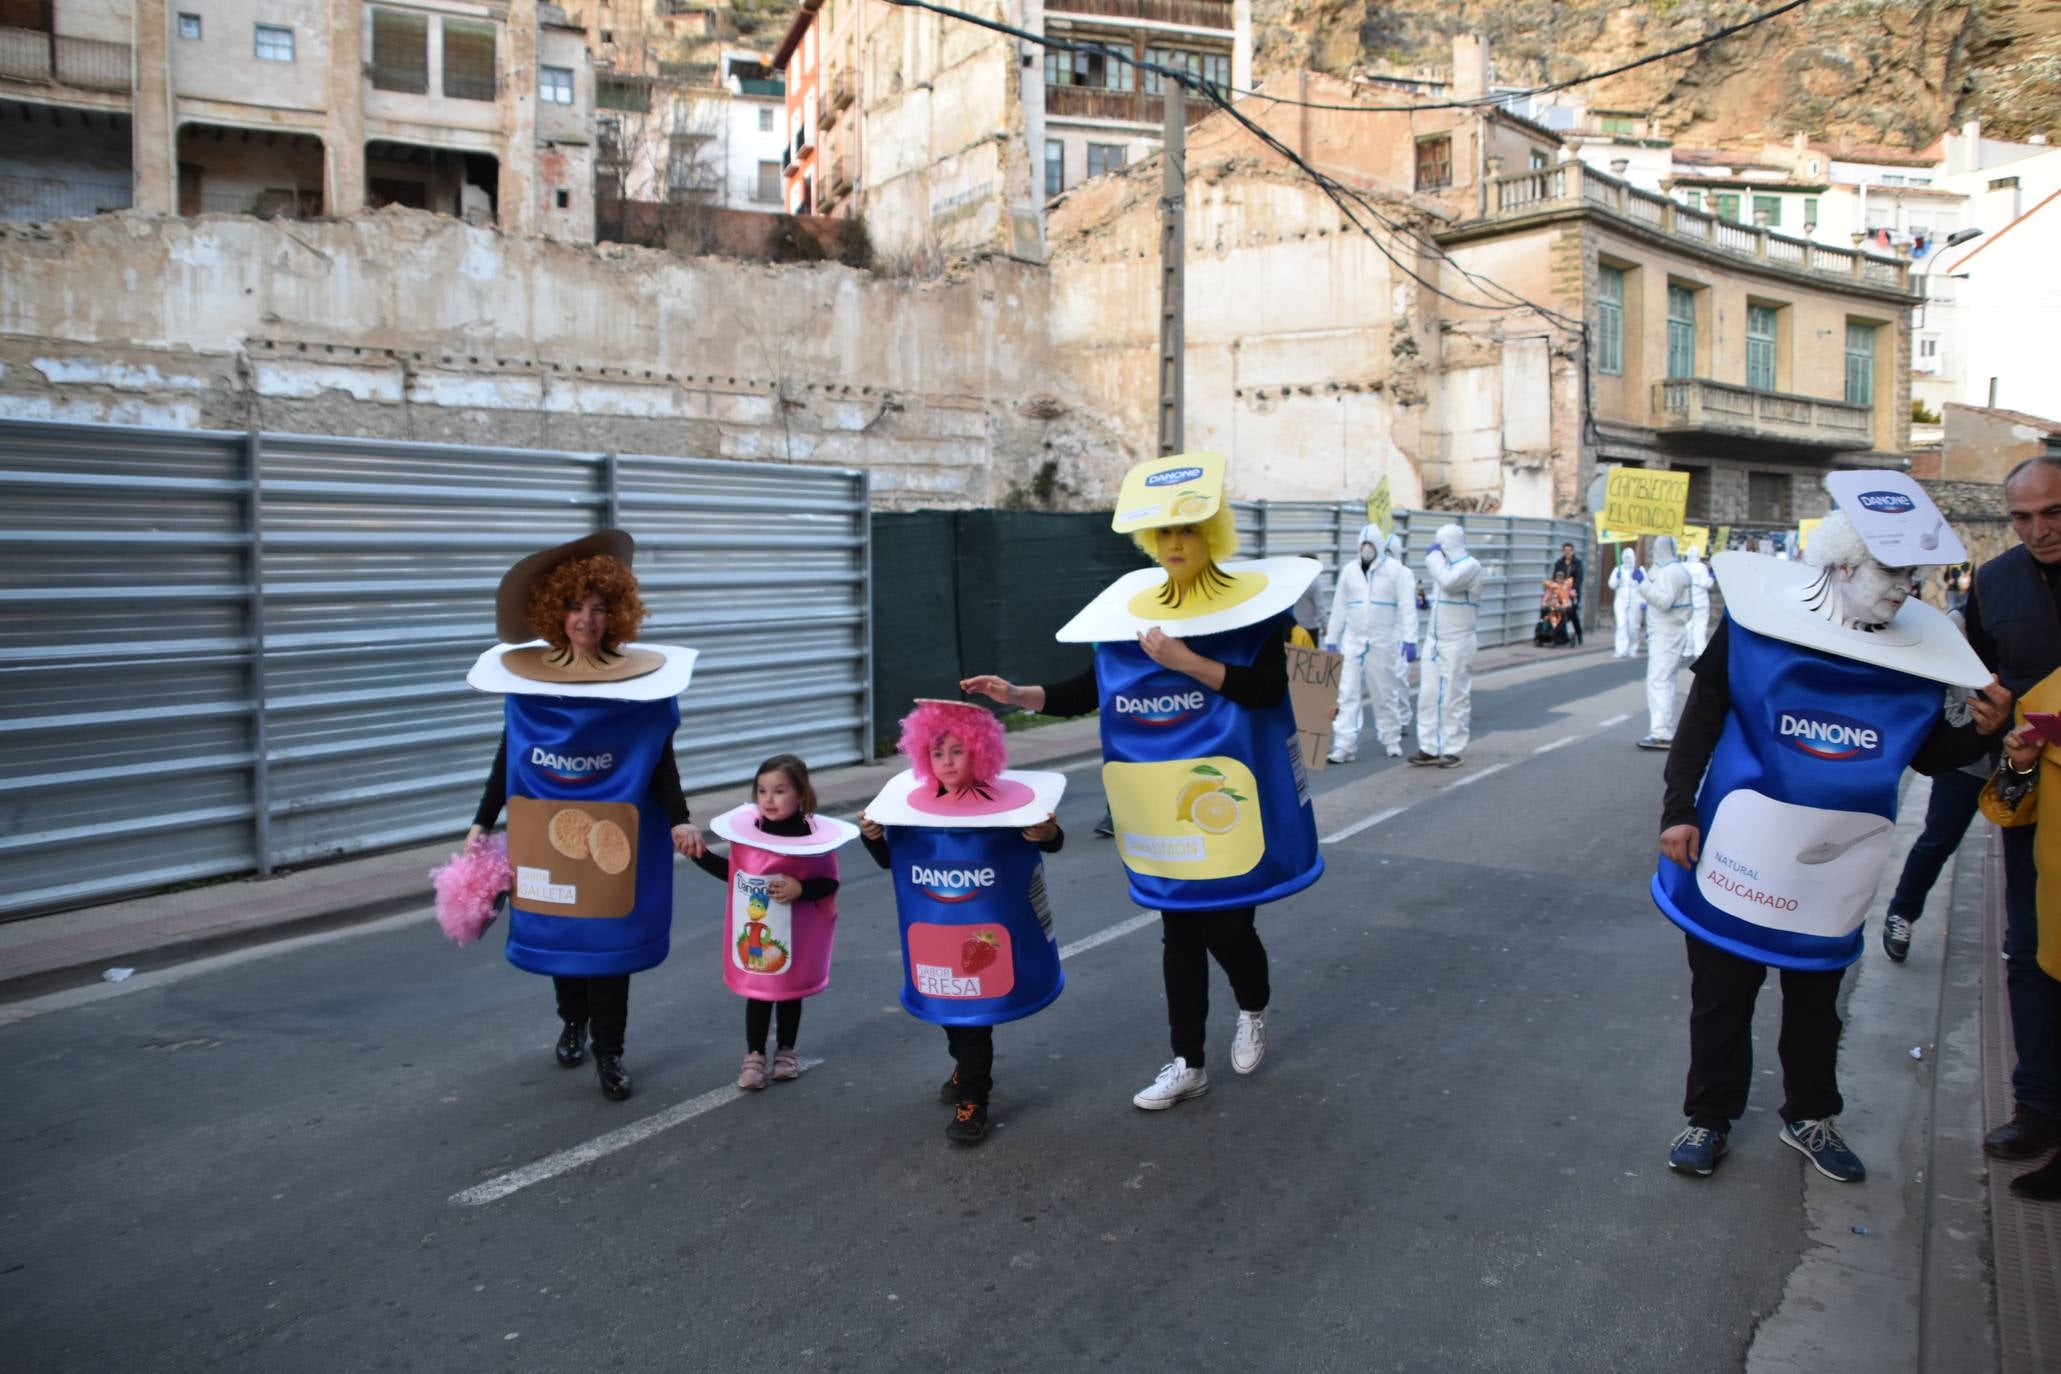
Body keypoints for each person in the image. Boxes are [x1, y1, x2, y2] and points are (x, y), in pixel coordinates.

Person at [1652, 500, 2007, 1181]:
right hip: (1737, 847)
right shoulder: (1755, 626)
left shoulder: (1910, 654)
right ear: (1841, 567)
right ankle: (1708, 1116)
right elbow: (1699, 723)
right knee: (1722, 993)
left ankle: (1809, 1116)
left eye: (1914, 576)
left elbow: (1926, 754)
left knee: (1816, 1000)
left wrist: (1981, 732)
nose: (1907, 589)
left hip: (1834, 860)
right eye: (1892, 573)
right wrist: (1677, 812)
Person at [961, 451, 1322, 1110]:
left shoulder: (1252, 608)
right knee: (1178, 931)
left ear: (1210, 535)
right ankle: (1187, 1062)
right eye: (1165, 535)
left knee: (1227, 931)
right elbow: (1090, 687)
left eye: (1187, 532)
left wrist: (1186, 661)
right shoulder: (1130, 609)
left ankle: (1253, 1007)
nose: (1175, 544)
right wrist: (1019, 693)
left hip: (1229, 805)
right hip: (1160, 810)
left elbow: (1268, 688)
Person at [465, 531, 703, 1103]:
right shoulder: (526, 681)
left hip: (618, 839)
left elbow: (658, 759)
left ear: (616, 614)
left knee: (610, 944)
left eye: (599, 609)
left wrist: (680, 819)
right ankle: (572, 1019)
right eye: (575, 606)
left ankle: (611, 1053)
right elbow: (511, 753)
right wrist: (482, 820)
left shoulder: (641, 683)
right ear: (555, 611)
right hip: (545, 835)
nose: (586, 620)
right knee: (562, 936)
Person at [858, 700, 1065, 1144]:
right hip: (935, 937)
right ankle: (964, 1072)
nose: (946, 762)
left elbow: (1050, 841)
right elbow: (891, 862)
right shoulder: (910, 808)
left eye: (957, 751)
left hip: (990, 939)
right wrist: (872, 837)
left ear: (979, 751)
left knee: (973, 1022)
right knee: (954, 1018)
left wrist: (1048, 834)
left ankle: (975, 1100)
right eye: (937, 753)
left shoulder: (1005, 806)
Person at [1962, 455, 2061, 1165]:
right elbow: (1973, 680)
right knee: (2027, 951)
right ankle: (2036, 1107)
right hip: (2031, 795)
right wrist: (1989, 719)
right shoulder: (1993, 582)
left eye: (2052, 513)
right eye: (2021, 517)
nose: (2036, 530)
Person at [690, 755, 858, 1090]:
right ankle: (754, 1055)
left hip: (797, 935)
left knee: (790, 994)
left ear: (801, 795)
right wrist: (699, 855)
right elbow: (737, 873)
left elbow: (829, 883)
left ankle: (786, 1051)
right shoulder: (752, 834)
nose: (768, 799)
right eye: (762, 790)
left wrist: (800, 888)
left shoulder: (814, 839)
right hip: (757, 935)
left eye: (779, 791)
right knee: (760, 993)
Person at [1881, 609, 1993, 964]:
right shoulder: (1960, 624)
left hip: (2027, 757)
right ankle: (1902, 913)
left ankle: (2024, 942)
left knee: (2027, 852)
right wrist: (1967, 727)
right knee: (1938, 839)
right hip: (1963, 758)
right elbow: (1936, 685)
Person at [1325, 521, 1419, 761]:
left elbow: (1408, 608)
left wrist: (1410, 639)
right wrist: (1332, 637)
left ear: (1378, 545)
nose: (1367, 548)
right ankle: (1344, 746)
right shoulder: (1349, 571)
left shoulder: (1396, 572)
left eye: (1371, 544)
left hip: (1382, 641)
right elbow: (1339, 606)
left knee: (1384, 692)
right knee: (1347, 694)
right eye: (1363, 544)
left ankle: (1391, 739)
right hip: (1353, 641)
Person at [1408, 522, 1482, 768]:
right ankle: (1428, 747)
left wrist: (1433, 558)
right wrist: (1427, 601)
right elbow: (1445, 594)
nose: (1437, 549)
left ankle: (1453, 748)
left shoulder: (1470, 566)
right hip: (1435, 639)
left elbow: (1450, 583)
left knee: (1454, 694)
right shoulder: (1445, 566)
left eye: (1441, 544)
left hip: (1459, 640)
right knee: (1429, 695)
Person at [1634, 535, 1694, 750]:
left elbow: (1664, 601)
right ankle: (1663, 729)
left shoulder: (1670, 572)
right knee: (1664, 682)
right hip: (1669, 632)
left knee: (1659, 681)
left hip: (1667, 633)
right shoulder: (1672, 570)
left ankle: (1661, 732)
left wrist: (1643, 586)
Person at [1609, 547, 1645, 659]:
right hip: (1621, 600)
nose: (1627, 560)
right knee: (1621, 624)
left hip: (1635, 600)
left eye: (1629, 558)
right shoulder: (1618, 569)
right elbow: (1611, 585)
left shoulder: (1639, 569)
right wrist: (1617, 578)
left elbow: (1645, 587)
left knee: (1633, 627)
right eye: (1625, 558)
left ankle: (1632, 648)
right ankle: (1621, 649)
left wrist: (1644, 601)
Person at [1683, 546, 1715, 658]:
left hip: (1686, 601)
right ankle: (1699, 650)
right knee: (1700, 625)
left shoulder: (1683, 567)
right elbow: (1705, 583)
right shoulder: (1701, 567)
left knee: (1688, 626)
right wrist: (1711, 578)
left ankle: (1687, 649)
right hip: (1700, 601)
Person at [1553, 541, 1586, 643]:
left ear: (1573, 551)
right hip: (1561, 592)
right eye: (1565, 550)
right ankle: (1559, 635)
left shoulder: (1577, 563)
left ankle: (1578, 633)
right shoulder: (1559, 563)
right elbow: (1555, 577)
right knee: (1558, 611)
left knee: (1571, 613)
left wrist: (1574, 589)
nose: (1567, 552)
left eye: (1569, 550)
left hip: (1572, 593)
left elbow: (1579, 578)